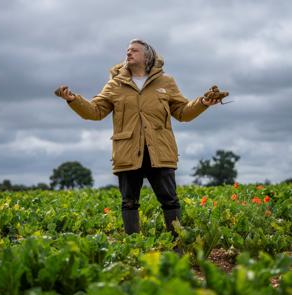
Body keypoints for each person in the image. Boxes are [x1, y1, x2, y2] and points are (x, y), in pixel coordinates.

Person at [55, 39, 229, 238]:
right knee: (129, 202)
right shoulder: (114, 84)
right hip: (127, 152)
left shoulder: (166, 82)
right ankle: (133, 247)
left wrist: (203, 102)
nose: (128, 53)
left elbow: (182, 113)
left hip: (160, 150)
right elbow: (95, 112)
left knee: (170, 200)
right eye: (127, 51)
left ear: (148, 56)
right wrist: (73, 99)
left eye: (134, 51)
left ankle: (178, 246)